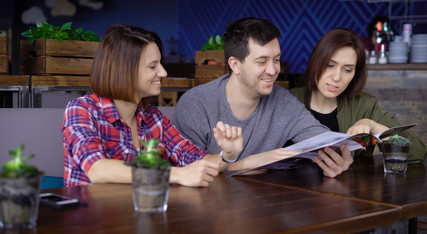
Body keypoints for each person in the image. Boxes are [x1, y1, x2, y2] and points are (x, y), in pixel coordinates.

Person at [61, 24, 243, 187]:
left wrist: (227, 154)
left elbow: (196, 159)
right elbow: (97, 169)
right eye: (152, 66)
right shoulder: (82, 110)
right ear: (124, 70)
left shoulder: (153, 118)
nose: (163, 72)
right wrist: (176, 174)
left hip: (142, 212)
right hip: (90, 218)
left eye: (160, 64)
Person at [172, 17, 354, 177]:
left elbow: (325, 140)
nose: (273, 70)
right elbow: (188, 172)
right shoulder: (196, 104)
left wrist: (342, 156)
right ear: (235, 64)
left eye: (276, 60)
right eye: (262, 61)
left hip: (264, 207)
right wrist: (247, 164)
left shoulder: (282, 100)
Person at [290, 28, 426, 163]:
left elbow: (418, 153)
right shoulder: (288, 101)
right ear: (316, 62)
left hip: (349, 183)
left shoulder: (365, 106)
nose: (337, 77)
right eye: (330, 65)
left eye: (347, 70)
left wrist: (373, 126)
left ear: (355, 74)